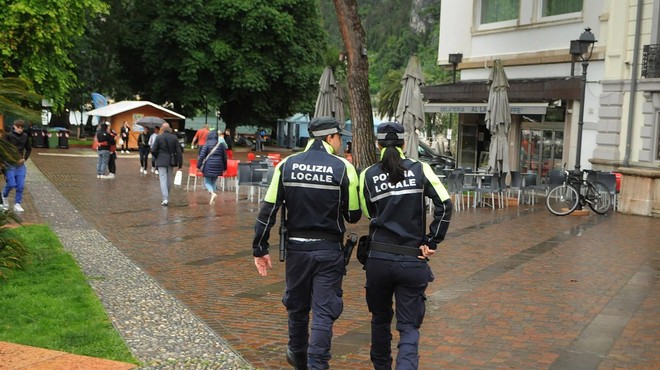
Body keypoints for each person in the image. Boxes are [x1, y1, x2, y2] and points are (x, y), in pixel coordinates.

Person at [252, 116, 361, 369]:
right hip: (329, 250)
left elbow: (268, 209)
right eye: (340, 138)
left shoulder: (287, 165)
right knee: (324, 312)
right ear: (330, 137)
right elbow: (353, 216)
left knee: (297, 307)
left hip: (297, 250)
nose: (341, 142)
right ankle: (318, 365)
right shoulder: (343, 167)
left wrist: (260, 247)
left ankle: (298, 357)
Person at [358, 122, 453, 370]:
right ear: (403, 143)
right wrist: (433, 240)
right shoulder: (421, 169)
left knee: (379, 319)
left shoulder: (367, 174)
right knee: (409, 326)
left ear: (378, 144)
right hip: (412, 260)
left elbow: (369, 212)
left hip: (378, 260)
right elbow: (445, 203)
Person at [2, 120, 32, 212]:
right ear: (14, 126)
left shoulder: (25, 136)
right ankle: (4, 196)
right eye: (18, 127)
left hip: (20, 164)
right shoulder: (8, 136)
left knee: (20, 185)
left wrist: (25, 158)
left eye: (22, 127)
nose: (20, 129)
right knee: (11, 184)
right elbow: (3, 149)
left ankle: (17, 203)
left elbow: (28, 149)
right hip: (9, 163)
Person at [151, 123, 182, 206]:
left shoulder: (159, 137)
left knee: (162, 179)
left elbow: (153, 150)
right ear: (169, 129)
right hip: (171, 161)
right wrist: (180, 164)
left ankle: (165, 198)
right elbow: (179, 151)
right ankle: (166, 196)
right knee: (169, 179)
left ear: (162, 129)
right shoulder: (174, 138)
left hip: (161, 160)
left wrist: (157, 156)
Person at [196, 131, 227, 204]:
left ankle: (212, 194)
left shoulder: (207, 144)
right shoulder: (221, 144)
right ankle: (213, 199)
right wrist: (225, 168)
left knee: (207, 182)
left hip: (208, 165)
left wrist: (198, 165)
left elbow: (202, 156)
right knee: (213, 182)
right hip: (218, 165)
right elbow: (224, 157)